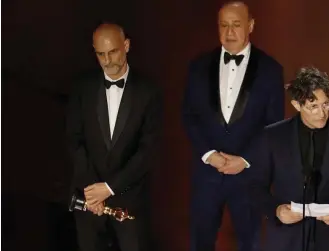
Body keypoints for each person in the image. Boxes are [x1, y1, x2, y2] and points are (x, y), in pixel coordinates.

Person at [182, 1, 285, 250]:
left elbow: (274, 125)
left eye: (236, 25)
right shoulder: (198, 67)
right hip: (207, 174)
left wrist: (245, 160)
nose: (229, 32)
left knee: (250, 243)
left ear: (250, 25)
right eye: (224, 25)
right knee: (200, 242)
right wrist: (209, 155)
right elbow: (188, 115)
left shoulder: (271, 70)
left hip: (248, 176)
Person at [250, 66, 329, 251]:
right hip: (284, 240)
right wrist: (276, 211)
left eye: (326, 104)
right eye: (313, 106)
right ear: (296, 105)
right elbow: (254, 186)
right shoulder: (272, 136)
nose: (322, 113)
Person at [66, 23, 162, 251]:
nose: (107, 61)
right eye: (100, 54)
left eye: (113, 52)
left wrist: (109, 188)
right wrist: (93, 192)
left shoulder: (149, 91)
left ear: (126, 46)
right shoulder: (82, 87)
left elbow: (147, 150)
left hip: (130, 201)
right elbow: (74, 140)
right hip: (88, 201)